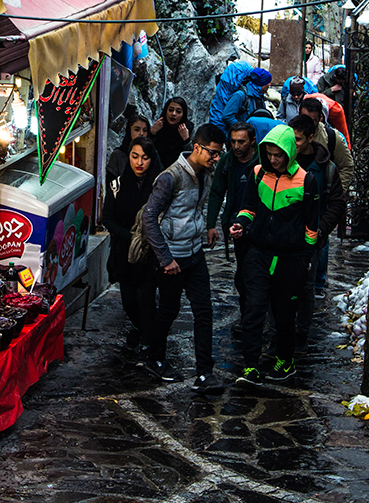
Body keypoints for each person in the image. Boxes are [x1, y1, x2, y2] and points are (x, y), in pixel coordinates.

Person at [229, 125, 319, 385]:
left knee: (283, 314)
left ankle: (285, 360)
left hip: (290, 260)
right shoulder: (257, 174)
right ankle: (250, 366)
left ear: (290, 151)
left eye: (278, 154)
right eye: (269, 154)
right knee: (254, 310)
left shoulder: (307, 181)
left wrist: (305, 260)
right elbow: (249, 208)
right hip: (258, 255)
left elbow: (312, 227)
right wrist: (240, 224)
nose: (273, 159)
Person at [142, 122, 226, 394]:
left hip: (194, 253)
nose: (216, 158)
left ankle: (205, 372)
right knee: (168, 310)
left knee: (204, 311)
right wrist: (165, 258)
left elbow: (197, 207)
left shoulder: (205, 173)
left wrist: (208, 227)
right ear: (198, 148)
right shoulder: (171, 177)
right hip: (172, 258)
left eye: (218, 153)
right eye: (212, 152)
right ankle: (154, 359)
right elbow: (149, 219)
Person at [288, 114, 346, 353]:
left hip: (310, 239)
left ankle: (301, 333)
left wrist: (320, 229)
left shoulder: (326, 167)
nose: (293, 144)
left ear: (311, 138)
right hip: (282, 237)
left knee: (305, 287)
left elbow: (338, 204)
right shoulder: (282, 161)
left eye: (298, 140)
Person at [103, 137, 162, 353]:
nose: (139, 163)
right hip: (124, 253)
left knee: (146, 298)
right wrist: (130, 236)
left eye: (145, 158)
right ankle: (137, 326)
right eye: (135, 157)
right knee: (129, 300)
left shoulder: (160, 186)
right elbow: (107, 218)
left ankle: (148, 338)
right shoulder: (117, 185)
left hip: (151, 253)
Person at [206, 123, 259, 332]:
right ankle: (248, 318)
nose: (236, 146)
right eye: (233, 141)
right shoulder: (227, 162)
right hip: (237, 227)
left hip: (260, 227)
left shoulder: (261, 162)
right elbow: (217, 192)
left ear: (252, 141)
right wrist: (211, 225)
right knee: (244, 273)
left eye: (241, 142)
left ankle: (255, 319)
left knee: (255, 274)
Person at [299, 96, 353, 296]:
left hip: (321, 200)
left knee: (320, 241)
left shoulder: (332, 137)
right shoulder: (290, 136)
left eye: (312, 120)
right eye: (304, 118)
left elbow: (347, 165)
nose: (308, 124)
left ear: (320, 118)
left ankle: (318, 284)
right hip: (295, 200)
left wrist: (335, 190)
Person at [221, 68, 272, 134]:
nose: (269, 85)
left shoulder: (259, 96)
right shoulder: (240, 95)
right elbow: (227, 116)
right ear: (261, 84)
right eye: (267, 84)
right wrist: (243, 130)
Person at [150, 97, 194, 169]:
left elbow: (191, 157)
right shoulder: (159, 126)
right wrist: (152, 133)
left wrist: (186, 139)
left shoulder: (188, 129)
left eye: (178, 112)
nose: (173, 114)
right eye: (170, 110)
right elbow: (147, 149)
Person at [107, 114, 152, 180]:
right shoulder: (118, 155)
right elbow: (110, 183)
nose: (141, 133)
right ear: (129, 131)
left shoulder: (152, 153)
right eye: (137, 130)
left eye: (145, 130)